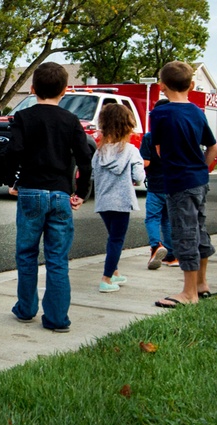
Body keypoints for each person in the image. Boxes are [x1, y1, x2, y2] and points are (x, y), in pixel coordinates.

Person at [0, 61, 92, 332]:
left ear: (32, 89)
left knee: (27, 254)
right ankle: (57, 318)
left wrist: (11, 180)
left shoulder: (23, 118)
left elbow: (13, 151)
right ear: (64, 90)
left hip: (30, 192)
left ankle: (26, 308)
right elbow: (85, 159)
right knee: (57, 257)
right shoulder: (71, 120)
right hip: (61, 194)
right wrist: (80, 192)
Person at [149, 61, 217, 307]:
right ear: (191, 85)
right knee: (200, 229)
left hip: (178, 182)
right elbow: (213, 148)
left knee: (184, 233)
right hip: (200, 181)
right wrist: (202, 168)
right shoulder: (198, 113)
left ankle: (189, 293)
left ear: (161, 87)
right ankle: (202, 283)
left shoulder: (159, 113)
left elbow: (158, 149)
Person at [91, 103, 145, 293]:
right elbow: (138, 177)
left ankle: (114, 272)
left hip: (103, 202)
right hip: (122, 203)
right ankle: (106, 279)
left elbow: (93, 175)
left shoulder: (99, 153)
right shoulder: (131, 151)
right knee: (116, 240)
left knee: (112, 237)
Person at [140, 98, 179, 270]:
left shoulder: (149, 137)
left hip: (155, 185)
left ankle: (156, 246)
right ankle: (172, 256)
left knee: (152, 218)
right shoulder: (177, 136)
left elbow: (146, 163)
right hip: (173, 185)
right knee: (168, 221)